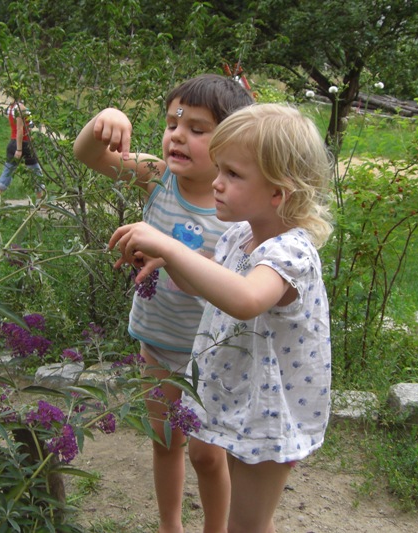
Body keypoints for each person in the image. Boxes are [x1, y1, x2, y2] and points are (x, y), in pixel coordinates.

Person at [109, 103, 334, 533]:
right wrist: (173, 261)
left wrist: (172, 248)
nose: (216, 183)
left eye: (232, 174)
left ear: (278, 193)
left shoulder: (291, 252)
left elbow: (247, 298)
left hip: (269, 412)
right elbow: (211, 284)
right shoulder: (242, 235)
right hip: (238, 396)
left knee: (247, 526)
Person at [74, 73, 254, 533]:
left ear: (230, 141)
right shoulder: (158, 178)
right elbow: (88, 155)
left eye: (197, 128)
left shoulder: (234, 203)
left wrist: (177, 258)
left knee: (208, 455)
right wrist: (104, 121)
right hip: (157, 341)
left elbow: (228, 282)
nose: (178, 134)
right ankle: (169, 526)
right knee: (165, 440)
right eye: (173, 122)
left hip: (212, 354)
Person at [0, 100, 44, 198]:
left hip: (14, 142)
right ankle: (41, 199)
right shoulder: (20, 108)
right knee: (35, 171)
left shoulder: (12, 106)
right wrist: (19, 149)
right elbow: (20, 129)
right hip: (22, 144)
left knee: (9, 169)